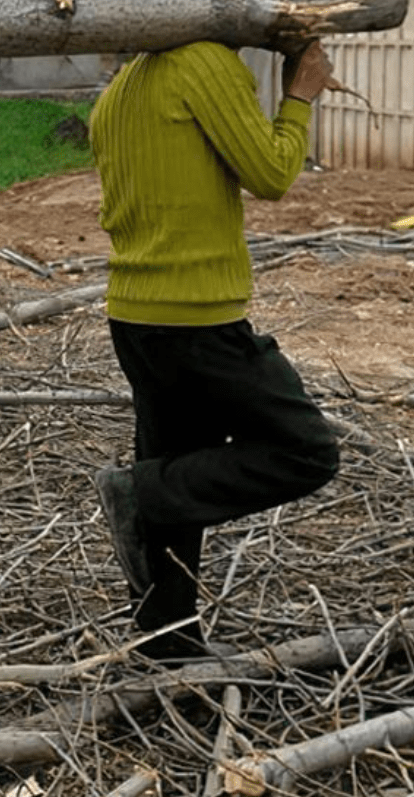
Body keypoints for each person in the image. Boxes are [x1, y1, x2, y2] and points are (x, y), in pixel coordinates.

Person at [88, 39, 341, 661]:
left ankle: (166, 647)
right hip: (196, 318)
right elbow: (273, 174)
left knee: (182, 472)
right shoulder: (204, 62)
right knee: (305, 450)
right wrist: (299, 97)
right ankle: (136, 494)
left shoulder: (126, 83)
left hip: (136, 314)